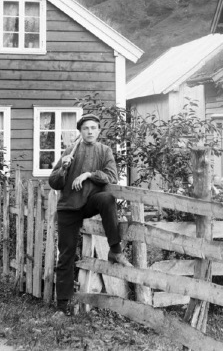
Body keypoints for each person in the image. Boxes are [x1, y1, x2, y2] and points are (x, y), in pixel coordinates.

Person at [48, 113, 131, 316]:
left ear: (99, 130)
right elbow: (54, 182)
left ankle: (115, 249)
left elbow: (112, 177)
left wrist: (88, 175)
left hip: (89, 203)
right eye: (86, 128)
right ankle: (62, 306)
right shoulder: (70, 151)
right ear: (80, 132)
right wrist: (63, 169)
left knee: (107, 199)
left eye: (93, 128)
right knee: (66, 255)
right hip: (69, 206)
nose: (90, 131)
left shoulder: (104, 151)